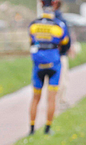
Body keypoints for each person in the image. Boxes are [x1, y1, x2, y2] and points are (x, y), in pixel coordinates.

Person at [28, 0, 69, 135]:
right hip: (54, 65)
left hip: (38, 65)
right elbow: (65, 43)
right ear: (53, 7)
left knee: (35, 98)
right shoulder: (58, 25)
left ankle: (32, 129)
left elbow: (31, 41)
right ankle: (47, 128)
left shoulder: (34, 24)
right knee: (51, 98)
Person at [53, 0, 73, 109]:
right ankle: (59, 102)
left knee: (59, 80)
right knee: (61, 79)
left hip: (52, 54)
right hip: (59, 54)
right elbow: (66, 38)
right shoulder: (59, 20)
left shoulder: (55, 19)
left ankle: (57, 101)